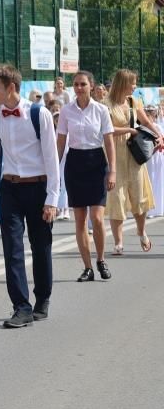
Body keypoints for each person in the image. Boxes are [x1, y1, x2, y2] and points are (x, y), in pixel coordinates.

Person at [0, 65, 60, 329]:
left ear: (11, 87)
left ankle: (43, 299)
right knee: (12, 249)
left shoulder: (39, 114)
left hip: (38, 188)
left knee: (41, 246)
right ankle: (21, 307)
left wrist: (52, 200)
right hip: (9, 189)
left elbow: (51, 159)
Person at [56, 71, 116, 282]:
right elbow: (60, 143)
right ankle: (87, 267)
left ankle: (101, 259)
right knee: (80, 219)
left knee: (97, 218)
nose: (79, 88)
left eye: (83, 84)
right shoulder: (66, 111)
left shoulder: (101, 110)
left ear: (91, 86)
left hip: (96, 162)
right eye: (76, 84)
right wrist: (53, 170)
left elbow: (109, 142)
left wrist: (112, 171)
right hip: (75, 163)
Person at [105, 69, 163, 255]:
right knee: (117, 198)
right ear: (123, 83)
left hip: (134, 154)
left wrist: (159, 135)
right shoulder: (106, 104)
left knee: (139, 196)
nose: (135, 86)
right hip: (114, 154)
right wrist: (129, 130)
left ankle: (141, 231)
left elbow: (145, 122)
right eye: (133, 82)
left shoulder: (133, 101)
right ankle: (118, 242)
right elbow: (106, 130)